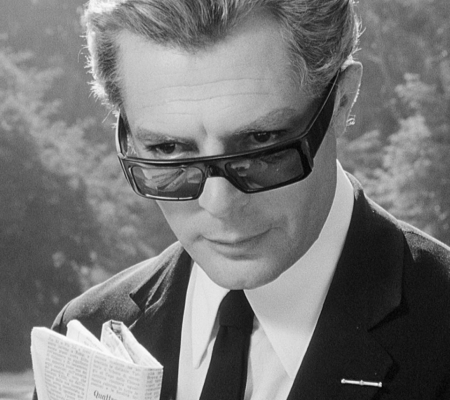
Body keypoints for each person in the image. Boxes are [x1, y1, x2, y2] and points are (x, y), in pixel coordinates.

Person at [36, 0, 450, 399]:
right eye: (167, 149)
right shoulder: (83, 329)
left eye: (261, 141)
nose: (219, 204)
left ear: (341, 100)